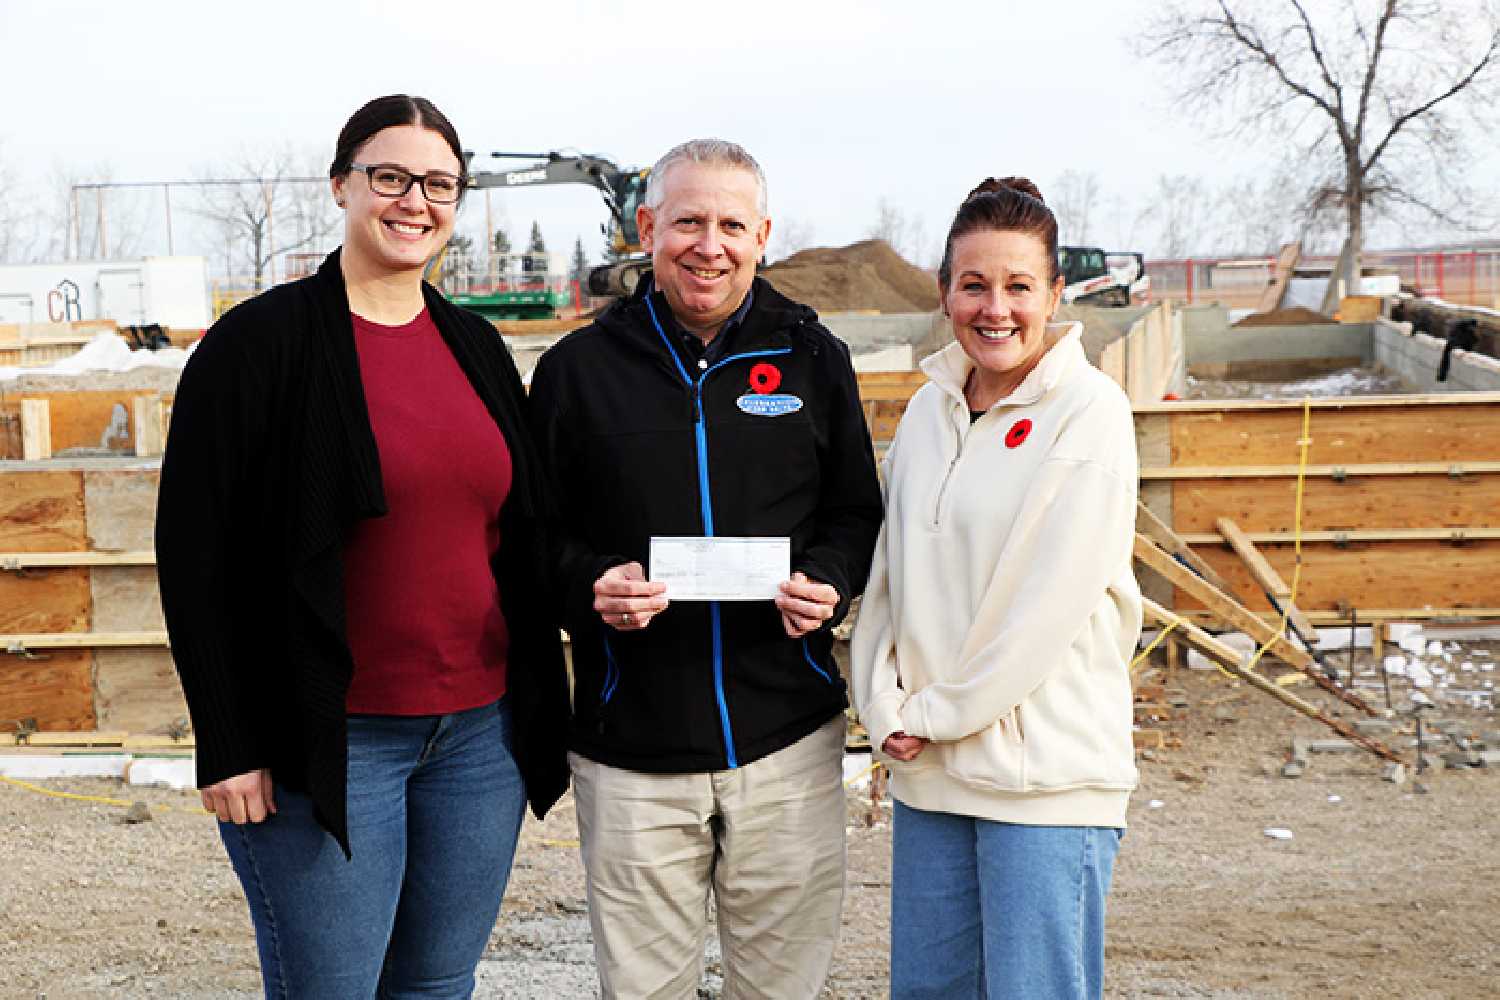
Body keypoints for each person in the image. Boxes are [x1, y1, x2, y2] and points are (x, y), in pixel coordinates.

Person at [155, 94, 570, 998]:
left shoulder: (476, 346)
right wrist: (226, 740)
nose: (413, 201)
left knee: (435, 983)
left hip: (477, 739)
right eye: (390, 177)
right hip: (328, 742)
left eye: (439, 184)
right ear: (342, 184)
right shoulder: (256, 347)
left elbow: (520, 534)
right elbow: (196, 555)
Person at [528, 139, 883, 999]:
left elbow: (853, 512)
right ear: (646, 228)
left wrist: (830, 579)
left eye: (731, 224)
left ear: (764, 233)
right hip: (630, 752)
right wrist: (587, 587)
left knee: (779, 989)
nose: (708, 244)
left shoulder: (812, 358)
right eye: (687, 221)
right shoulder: (577, 372)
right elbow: (533, 533)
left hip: (785, 743)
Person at [851, 177, 1142, 1000]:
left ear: (1056, 293)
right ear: (944, 292)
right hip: (932, 774)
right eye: (974, 284)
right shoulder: (927, 413)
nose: (996, 308)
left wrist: (933, 715)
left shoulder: (1089, 414)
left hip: (1044, 784)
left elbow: (1043, 610)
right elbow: (889, 581)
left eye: (1019, 286)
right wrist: (882, 706)